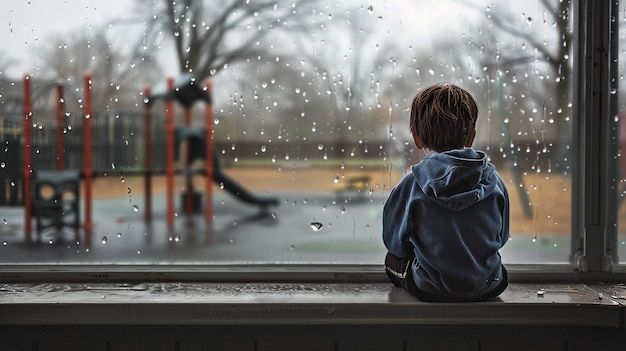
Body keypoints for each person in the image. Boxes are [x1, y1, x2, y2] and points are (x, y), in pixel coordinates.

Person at [382, 83, 509, 302]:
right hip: (489, 285)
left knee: (391, 260)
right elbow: (502, 236)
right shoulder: (494, 181)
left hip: (430, 288)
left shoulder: (412, 184)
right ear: (471, 138)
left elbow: (394, 242)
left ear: (417, 137)